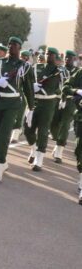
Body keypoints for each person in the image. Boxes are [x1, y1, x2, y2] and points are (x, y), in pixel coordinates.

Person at [0, 36, 34, 184]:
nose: (10, 47)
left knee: (4, 134)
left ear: (19, 48)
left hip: (13, 104)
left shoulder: (25, 67)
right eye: (9, 44)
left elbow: (29, 89)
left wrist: (31, 108)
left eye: (14, 45)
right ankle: (2, 161)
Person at [25, 47, 62, 171]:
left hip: (48, 103)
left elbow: (57, 88)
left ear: (55, 56)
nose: (48, 56)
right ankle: (34, 148)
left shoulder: (58, 71)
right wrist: (32, 86)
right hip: (34, 101)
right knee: (27, 128)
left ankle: (39, 159)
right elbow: (28, 81)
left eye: (51, 54)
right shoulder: (37, 67)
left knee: (43, 130)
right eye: (47, 53)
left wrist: (39, 88)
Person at [49, 50, 78, 163]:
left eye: (69, 58)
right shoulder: (59, 69)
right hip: (57, 99)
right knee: (53, 123)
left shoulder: (77, 71)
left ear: (74, 59)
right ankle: (58, 140)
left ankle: (59, 150)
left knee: (65, 124)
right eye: (66, 57)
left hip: (71, 101)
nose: (67, 59)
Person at [60, 66, 82, 204]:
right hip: (81, 118)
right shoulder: (80, 72)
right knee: (80, 151)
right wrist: (77, 91)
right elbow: (66, 87)